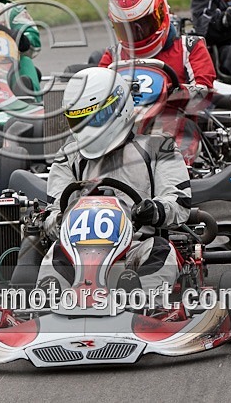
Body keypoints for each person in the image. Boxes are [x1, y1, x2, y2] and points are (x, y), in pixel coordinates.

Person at [33, 67, 192, 296]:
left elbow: (178, 203)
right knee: (55, 254)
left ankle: (143, 301)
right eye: (80, 121)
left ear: (119, 107)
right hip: (78, 252)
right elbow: (55, 210)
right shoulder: (68, 156)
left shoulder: (159, 148)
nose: (88, 129)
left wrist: (154, 210)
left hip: (136, 245)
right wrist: (60, 220)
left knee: (161, 251)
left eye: (96, 118)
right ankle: (48, 303)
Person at [100, 0, 216, 89]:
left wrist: (172, 91)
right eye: (126, 29)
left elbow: (203, 92)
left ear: (162, 14)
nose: (137, 34)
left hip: (177, 104)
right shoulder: (114, 56)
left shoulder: (190, 48)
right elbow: (98, 92)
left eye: (145, 23)